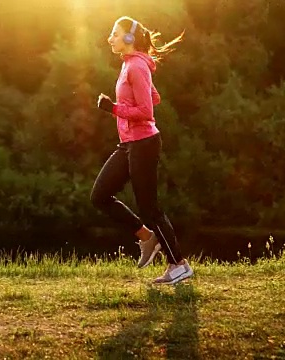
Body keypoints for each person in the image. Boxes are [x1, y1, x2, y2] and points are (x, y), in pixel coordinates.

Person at [92, 16, 193, 285]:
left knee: (150, 208)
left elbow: (147, 112)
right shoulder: (131, 65)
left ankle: (179, 265)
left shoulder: (136, 66)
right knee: (100, 195)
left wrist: (113, 108)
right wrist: (135, 97)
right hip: (128, 145)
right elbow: (154, 97)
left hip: (144, 144)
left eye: (115, 33)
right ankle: (147, 238)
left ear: (129, 38)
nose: (109, 38)